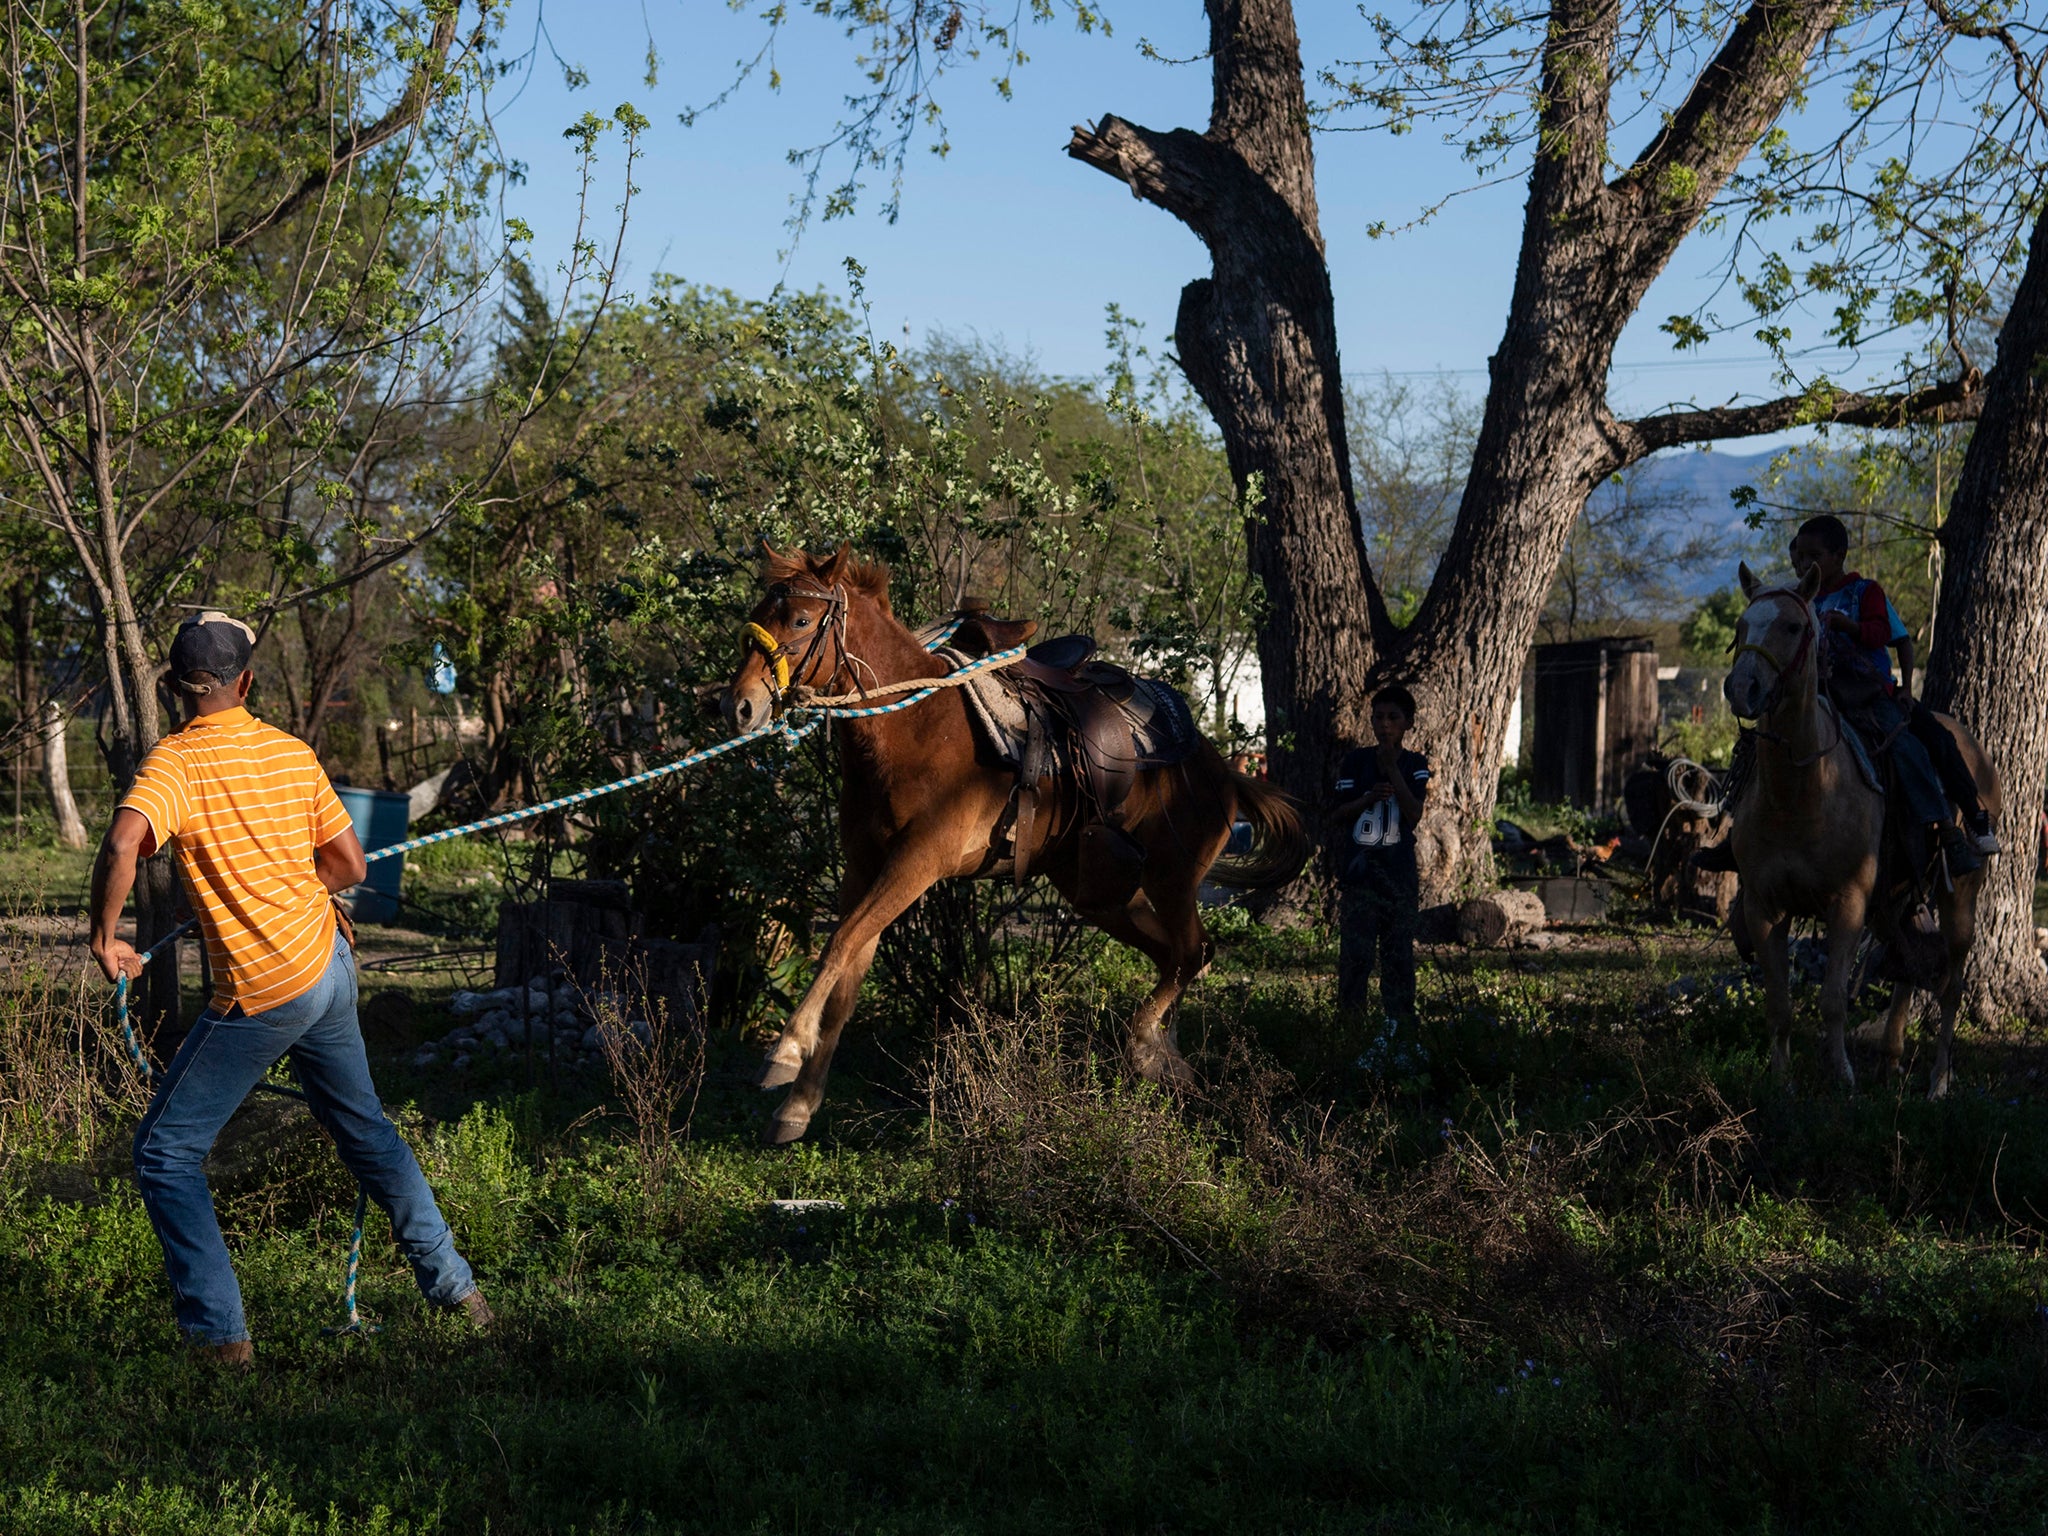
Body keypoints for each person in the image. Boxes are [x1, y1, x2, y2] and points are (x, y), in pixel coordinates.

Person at [89, 611, 489, 1368]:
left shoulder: (173, 764)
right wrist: (295, 891)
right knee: (366, 1131)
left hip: (264, 989)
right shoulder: (291, 752)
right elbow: (350, 868)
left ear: (176, 688)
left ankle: (219, 1341)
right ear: (244, 682)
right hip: (329, 965)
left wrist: (103, 936)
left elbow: (121, 843)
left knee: (165, 1154)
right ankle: (459, 1294)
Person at [1784, 515, 1988, 874]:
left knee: (1906, 747)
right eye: (1799, 557)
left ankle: (1946, 828)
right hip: (1817, 695)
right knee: (1765, 740)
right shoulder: (1800, 599)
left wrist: (1854, 630)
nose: (1804, 564)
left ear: (1839, 555)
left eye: (1812, 556)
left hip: (1868, 695)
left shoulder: (1865, 592)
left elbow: (1887, 635)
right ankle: (1740, 833)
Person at [1330, 685, 1431, 1064]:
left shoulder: (1414, 763)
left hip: (1399, 876)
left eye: (1393, 717)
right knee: (1356, 957)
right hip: (1361, 875)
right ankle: (1350, 1032)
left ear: (1408, 723)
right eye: (1378, 717)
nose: (1384, 724)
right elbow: (1338, 813)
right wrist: (1366, 798)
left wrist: (1392, 769)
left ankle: (1400, 1034)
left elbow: (1414, 813)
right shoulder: (1355, 763)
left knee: (1398, 957)